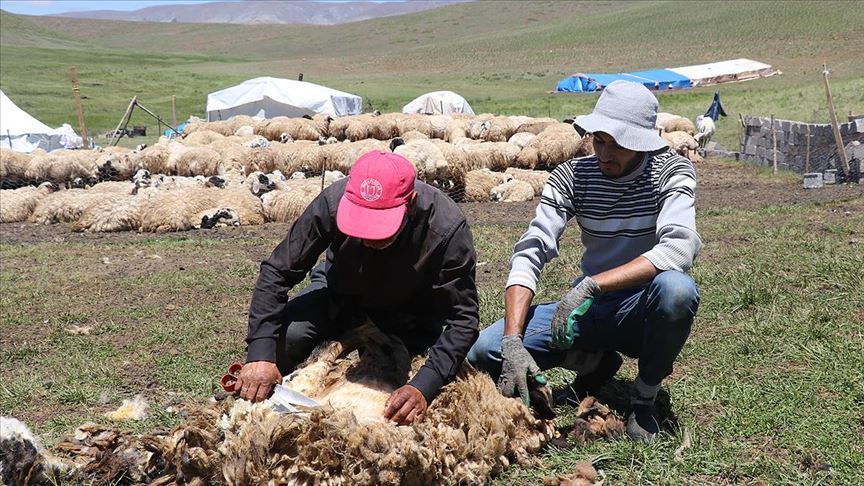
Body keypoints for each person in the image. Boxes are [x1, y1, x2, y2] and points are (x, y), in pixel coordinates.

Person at [467, 80, 702, 441]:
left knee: (677, 291)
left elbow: (678, 250)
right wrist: (513, 339)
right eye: (599, 140)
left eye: (618, 143)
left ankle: (643, 398)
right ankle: (595, 361)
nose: (605, 153)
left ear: (642, 141)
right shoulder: (573, 177)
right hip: (588, 307)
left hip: (641, 307)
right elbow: (531, 250)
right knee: (486, 349)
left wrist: (593, 283)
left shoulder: (670, 172)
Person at [235, 150, 479, 426]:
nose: (368, 238)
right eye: (361, 224)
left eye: (380, 227)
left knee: (423, 383)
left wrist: (423, 385)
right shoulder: (332, 201)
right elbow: (278, 271)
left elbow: (463, 319)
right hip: (339, 297)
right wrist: (260, 354)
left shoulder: (447, 228)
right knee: (286, 340)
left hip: (411, 316)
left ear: (410, 203)